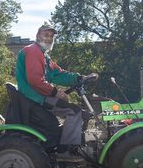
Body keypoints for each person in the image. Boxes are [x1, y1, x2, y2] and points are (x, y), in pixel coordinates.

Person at [15, 24, 96, 160]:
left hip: (39, 96)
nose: (49, 39)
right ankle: (65, 150)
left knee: (75, 111)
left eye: (51, 36)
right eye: (46, 35)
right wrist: (55, 92)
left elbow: (58, 74)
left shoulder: (43, 55)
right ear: (38, 35)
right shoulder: (33, 51)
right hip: (34, 98)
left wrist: (79, 78)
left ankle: (66, 142)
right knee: (74, 112)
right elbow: (35, 80)